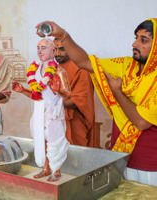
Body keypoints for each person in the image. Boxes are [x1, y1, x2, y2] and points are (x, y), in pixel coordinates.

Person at [35, 18, 157, 186]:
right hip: (121, 157)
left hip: (149, 166)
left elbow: (141, 122)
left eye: (143, 40)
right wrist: (62, 34)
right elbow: (85, 62)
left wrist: (117, 91)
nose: (135, 44)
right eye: (136, 37)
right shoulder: (126, 65)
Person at [12, 38, 69, 182]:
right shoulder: (35, 70)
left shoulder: (59, 71)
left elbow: (68, 94)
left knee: (54, 141)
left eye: (43, 48)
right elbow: (36, 95)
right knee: (40, 139)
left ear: (53, 51)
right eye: (38, 47)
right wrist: (23, 90)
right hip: (38, 110)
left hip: (53, 111)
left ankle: (56, 170)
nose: (39, 51)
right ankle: (45, 169)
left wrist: (58, 90)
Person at [53, 38, 97, 147]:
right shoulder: (52, 69)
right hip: (55, 120)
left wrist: (53, 105)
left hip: (74, 121)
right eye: (55, 49)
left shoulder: (81, 69)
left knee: (76, 157)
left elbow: (79, 100)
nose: (57, 53)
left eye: (62, 49)